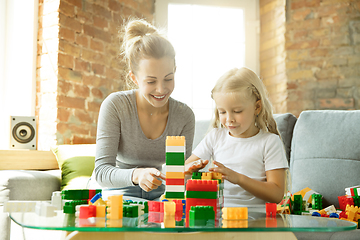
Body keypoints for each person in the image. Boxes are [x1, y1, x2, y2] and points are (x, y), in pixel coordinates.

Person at [89, 19, 195, 200]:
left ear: (175, 70)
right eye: (151, 81)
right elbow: (101, 172)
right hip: (118, 193)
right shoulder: (116, 106)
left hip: (161, 195)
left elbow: (179, 177)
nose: (161, 90)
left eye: (168, 79)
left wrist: (189, 171)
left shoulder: (184, 116)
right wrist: (136, 175)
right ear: (135, 77)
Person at [185, 67, 289, 209]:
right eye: (222, 111)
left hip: (255, 219)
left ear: (257, 107)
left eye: (237, 111)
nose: (229, 119)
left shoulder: (269, 142)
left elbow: (277, 194)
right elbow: (183, 171)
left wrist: (238, 178)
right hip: (218, 216)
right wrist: (190, 170)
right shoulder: (215, 137)